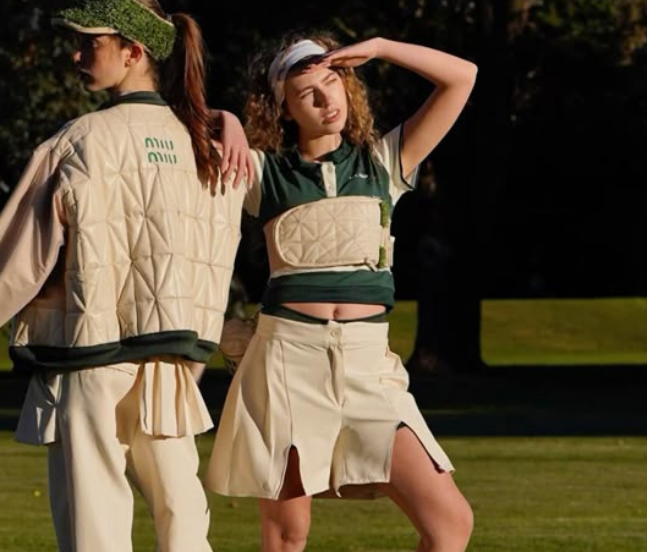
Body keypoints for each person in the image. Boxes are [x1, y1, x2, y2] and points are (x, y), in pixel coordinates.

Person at [0, 0, 252, 552]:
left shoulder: (78, 142)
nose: (75, 54)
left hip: (90, 359)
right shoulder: (211, 149)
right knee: (184, 521)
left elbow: (16, 267)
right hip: (172, 363)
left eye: (90, 42)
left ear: (133, 51)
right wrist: (224, 118)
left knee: (95, 531)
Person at [205, 32, 478, 552]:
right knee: (287, 535)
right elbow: (173, 135)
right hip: (286, 363)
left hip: (367, 365)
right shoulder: (263, 173)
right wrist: (227, 121)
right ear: (284, 110)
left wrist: (382, 48)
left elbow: (462, 77)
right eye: (306, 93)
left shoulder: (384, 162)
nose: (326, 98)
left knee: (450, 523)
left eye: (332, 82)